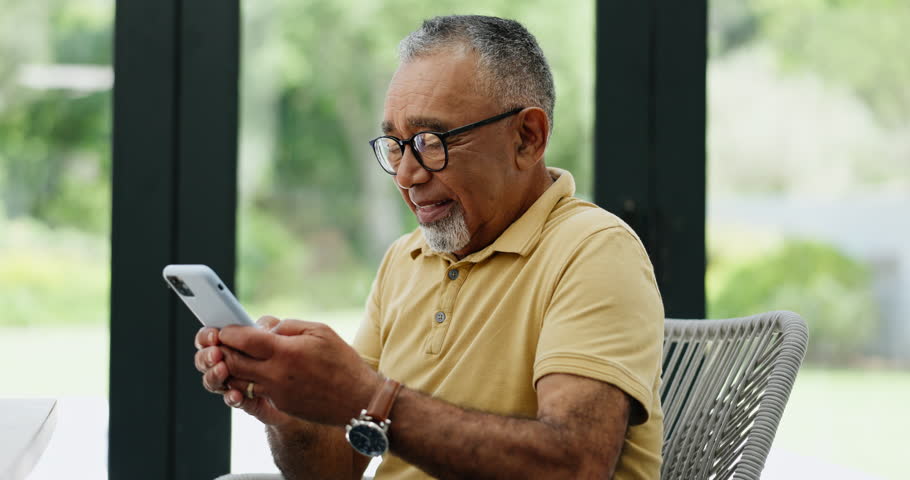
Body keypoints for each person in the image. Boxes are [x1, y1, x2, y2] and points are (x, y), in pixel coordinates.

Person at [195, 15, 664, 480]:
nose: (406, 175)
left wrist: (370, 397)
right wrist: (289, 413)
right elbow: (335, 470)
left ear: (527, 138)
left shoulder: (595, 250)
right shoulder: (405, 259)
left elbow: (574, 466)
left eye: (430, 140)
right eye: (396, 145)